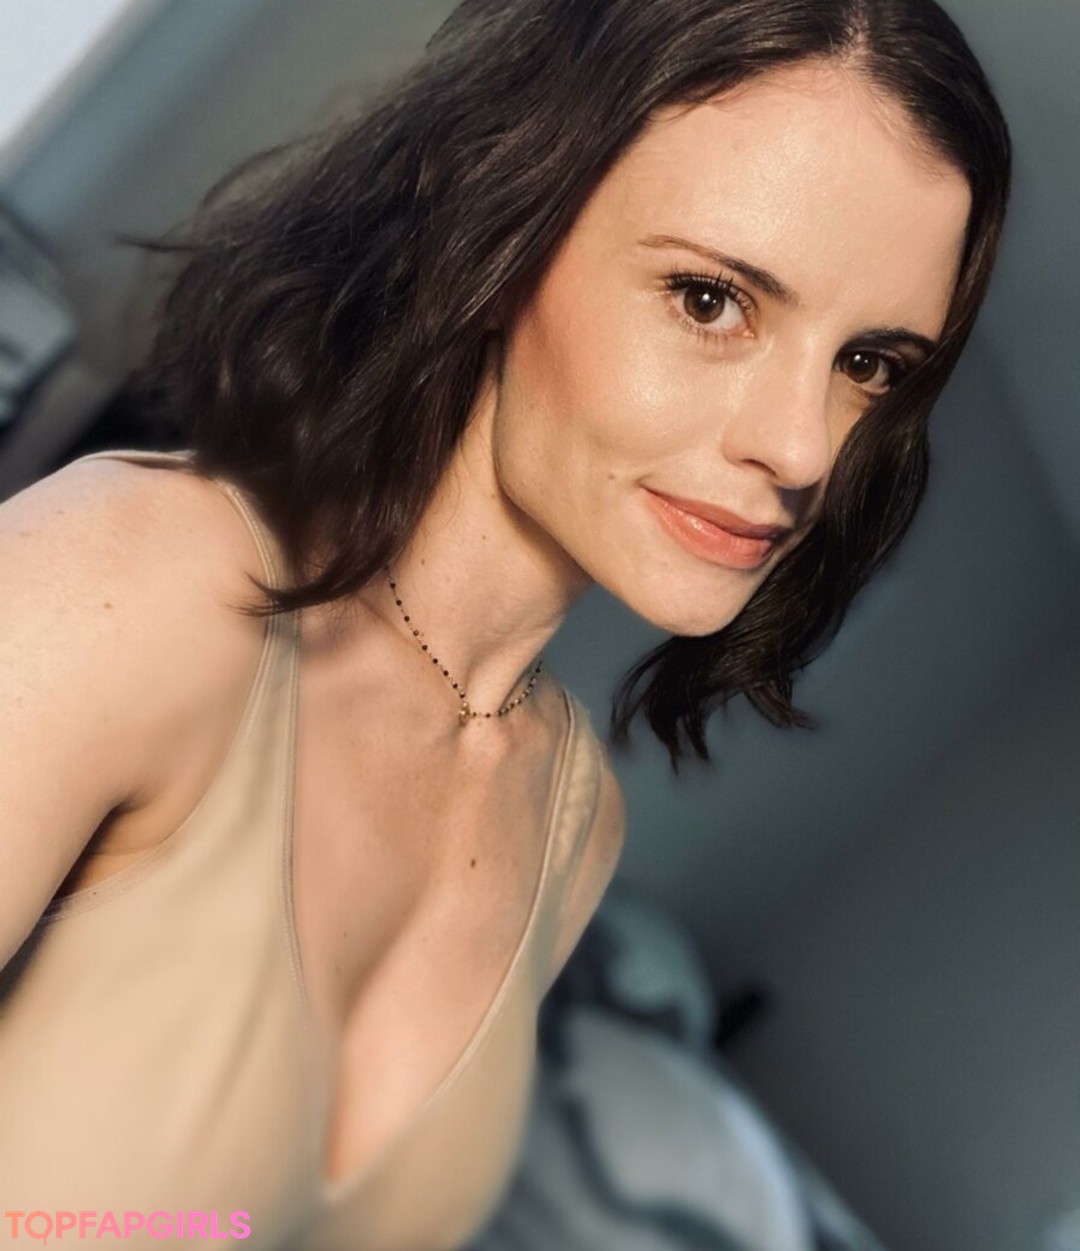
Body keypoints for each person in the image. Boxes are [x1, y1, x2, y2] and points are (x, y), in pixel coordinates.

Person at [0, 0, 1010, 1248]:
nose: (803, 448)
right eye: (710, 300)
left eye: (870, 365)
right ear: (505, 234)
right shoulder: (139, 584)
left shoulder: (573, 816)